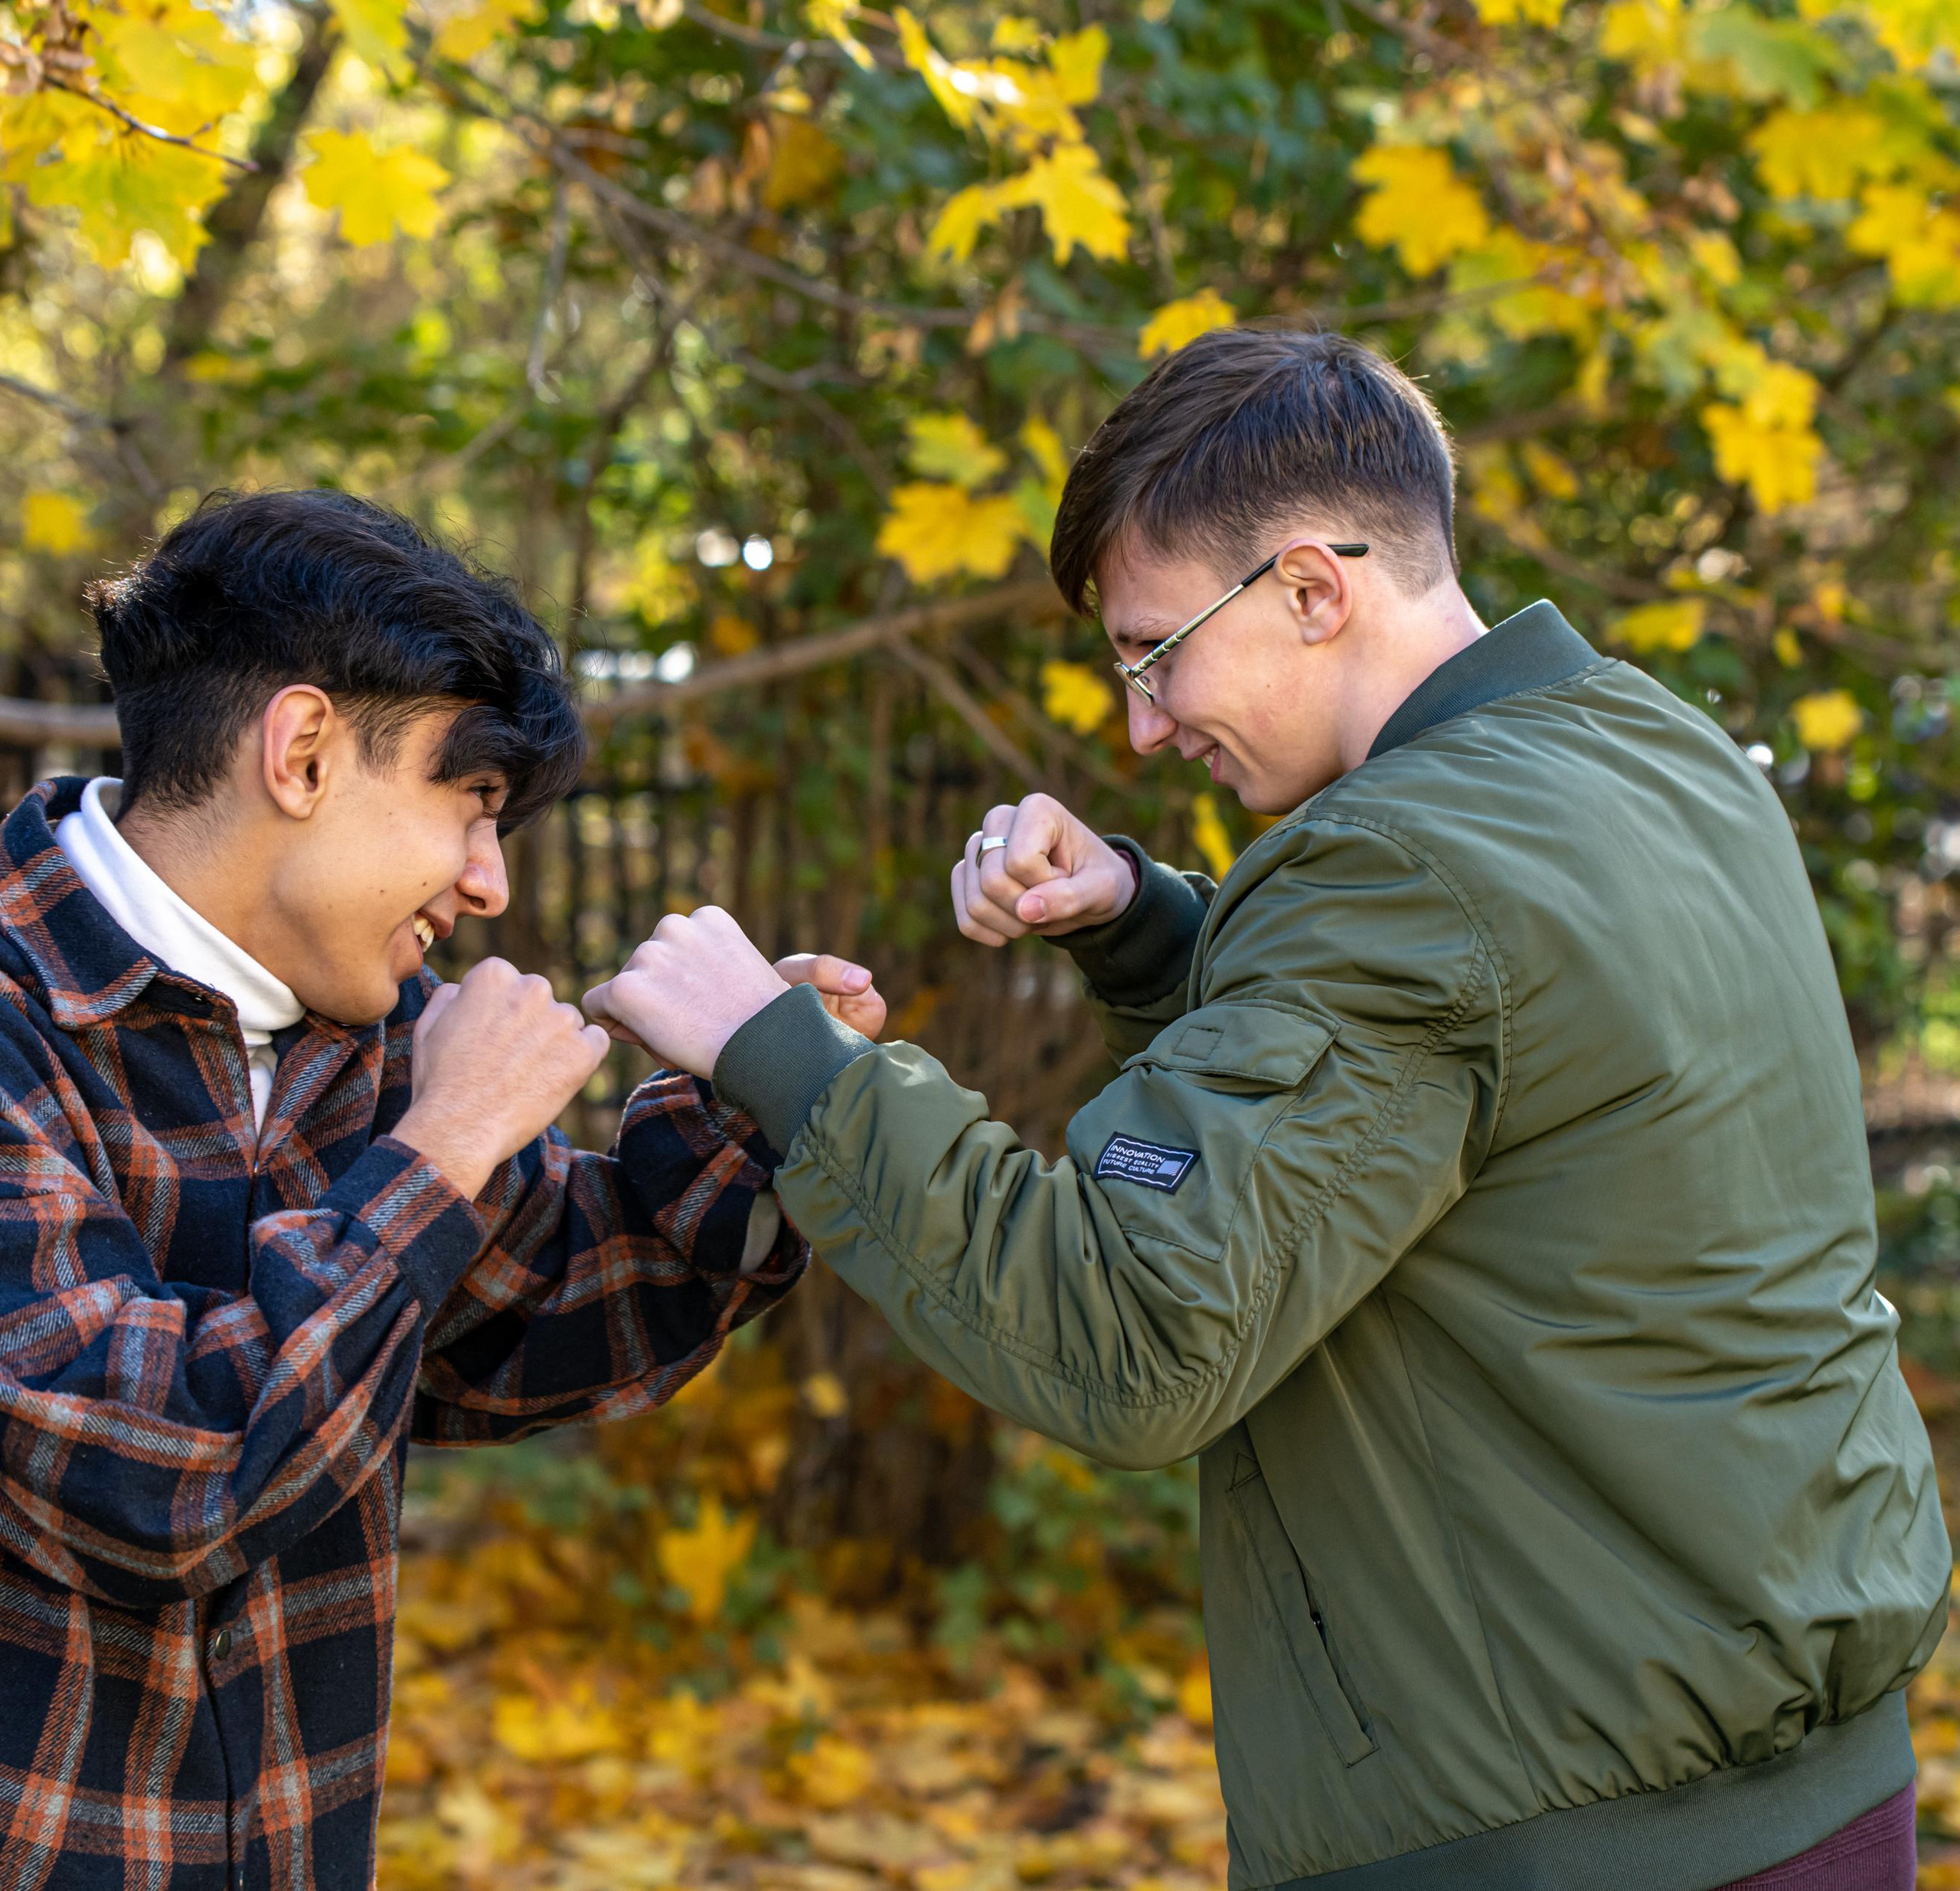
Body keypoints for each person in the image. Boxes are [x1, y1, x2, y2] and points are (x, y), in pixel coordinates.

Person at [584, 328, 1950, 1890]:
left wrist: (780, 1058)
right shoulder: (1649, 749)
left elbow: (1130, 1334)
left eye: (1155, 649)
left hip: (1558, 1827)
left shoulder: (1394, 868)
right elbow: (1450, 1095)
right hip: (1811, 1778)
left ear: (1310, 587)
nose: (1145, 722)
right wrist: (1149, 928)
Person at [0, 490, 880, 1891]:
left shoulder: (358, 1033)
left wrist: (755, 1099)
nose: (489, 887)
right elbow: (155, 1474)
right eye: (470, 807)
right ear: (298, 751)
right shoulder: (19, 1019)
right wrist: (438, 1152)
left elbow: (550, 1314)